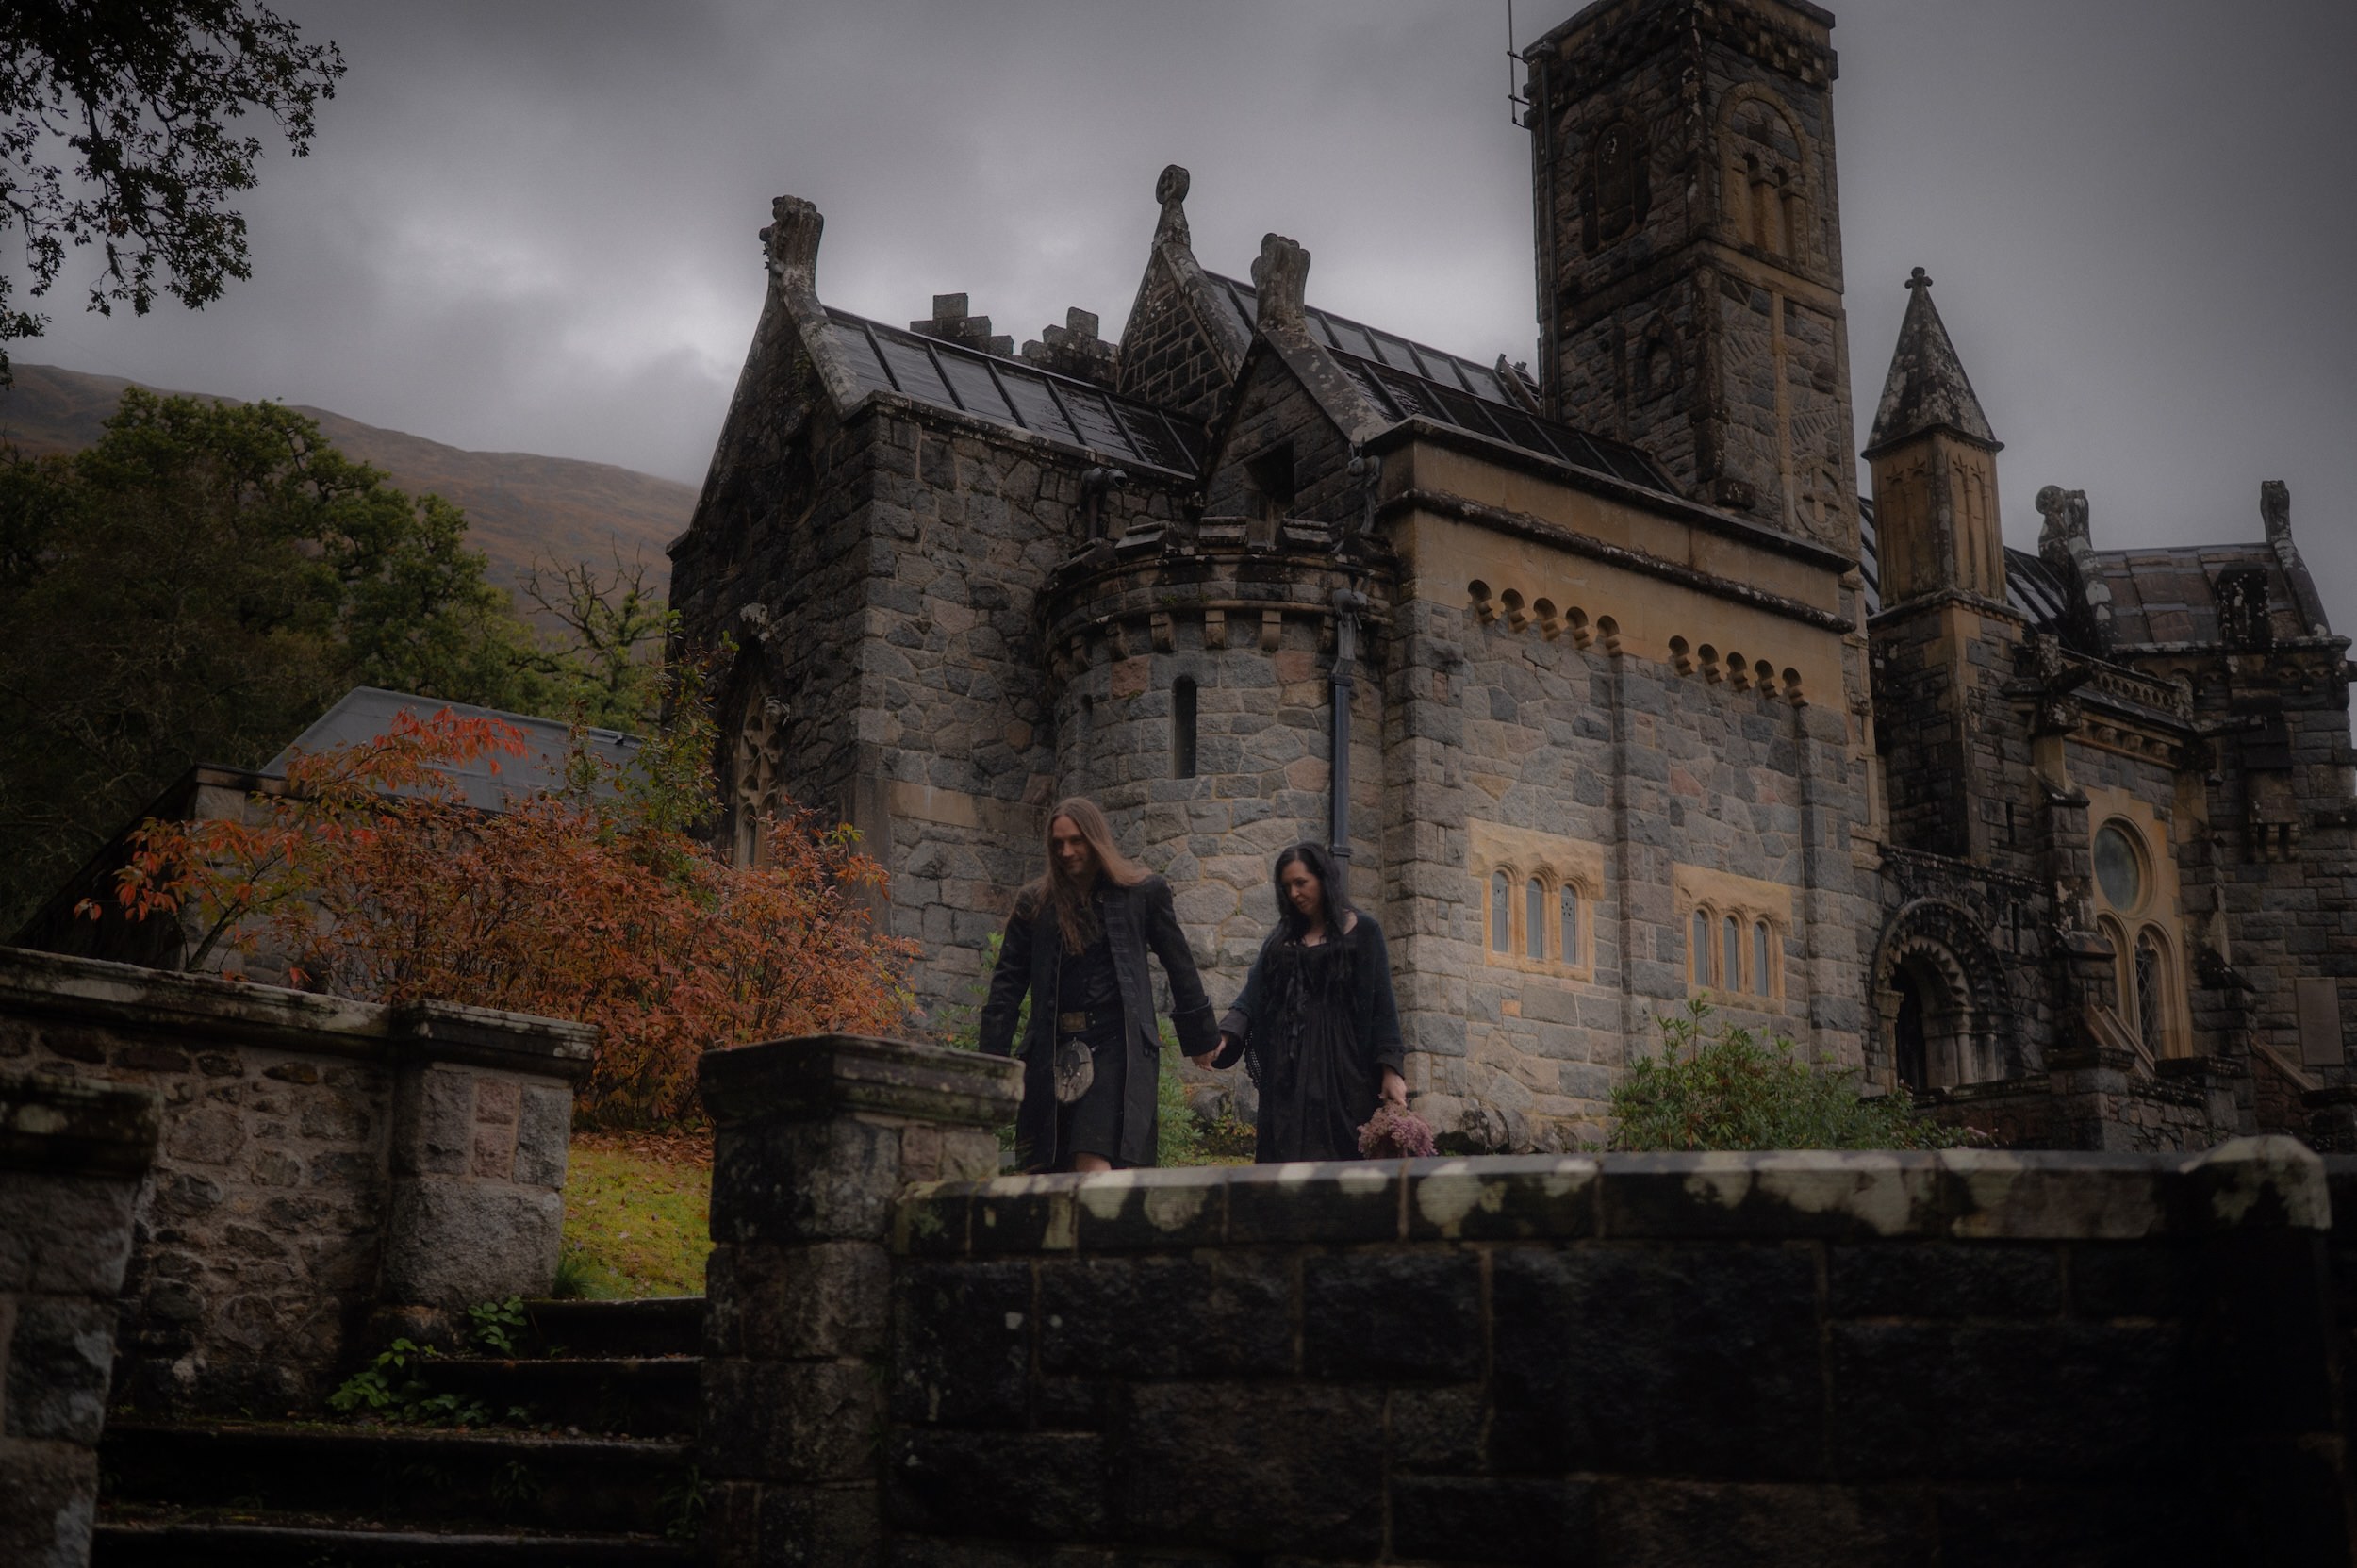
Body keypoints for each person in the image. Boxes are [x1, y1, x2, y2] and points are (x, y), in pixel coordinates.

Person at [980, 798, 1216, 1172]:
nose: (1067, 852)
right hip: (1051, 1047)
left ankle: (1096, 1212)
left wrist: (1201, 1038)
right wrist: (990, 1063)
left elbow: (1179, 962)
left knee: (1092, 1156)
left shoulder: (1142, 893)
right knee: (1049, 1166)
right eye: (1058, 843)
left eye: (1076, 841)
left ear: (1095, 839)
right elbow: (1006, 987)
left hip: (1117, 1046)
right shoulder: (1035, 904)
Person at [1210, 842, 1409, 1162]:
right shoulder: (1281, 939)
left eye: (1301, 882)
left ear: (1323, 878)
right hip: (1287, 1068)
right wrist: (1225, 1035)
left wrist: (1391, 1071)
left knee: (1343, 1157)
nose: (1294, 893)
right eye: (1287, 886)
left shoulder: (1365, 932)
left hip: (1344, 1069)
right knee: (1284, 1155)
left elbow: (1382, 1006)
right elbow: (1253, 994)